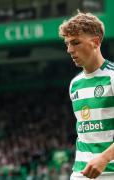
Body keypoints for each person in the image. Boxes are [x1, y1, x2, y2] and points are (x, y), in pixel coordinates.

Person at [58, 11, 114, 179]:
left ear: (95, 42)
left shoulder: (112, 77)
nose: (69, 49)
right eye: (67, 44)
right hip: (81, 172)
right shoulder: (75, 84)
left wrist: (104, 158)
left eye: (75, 43)